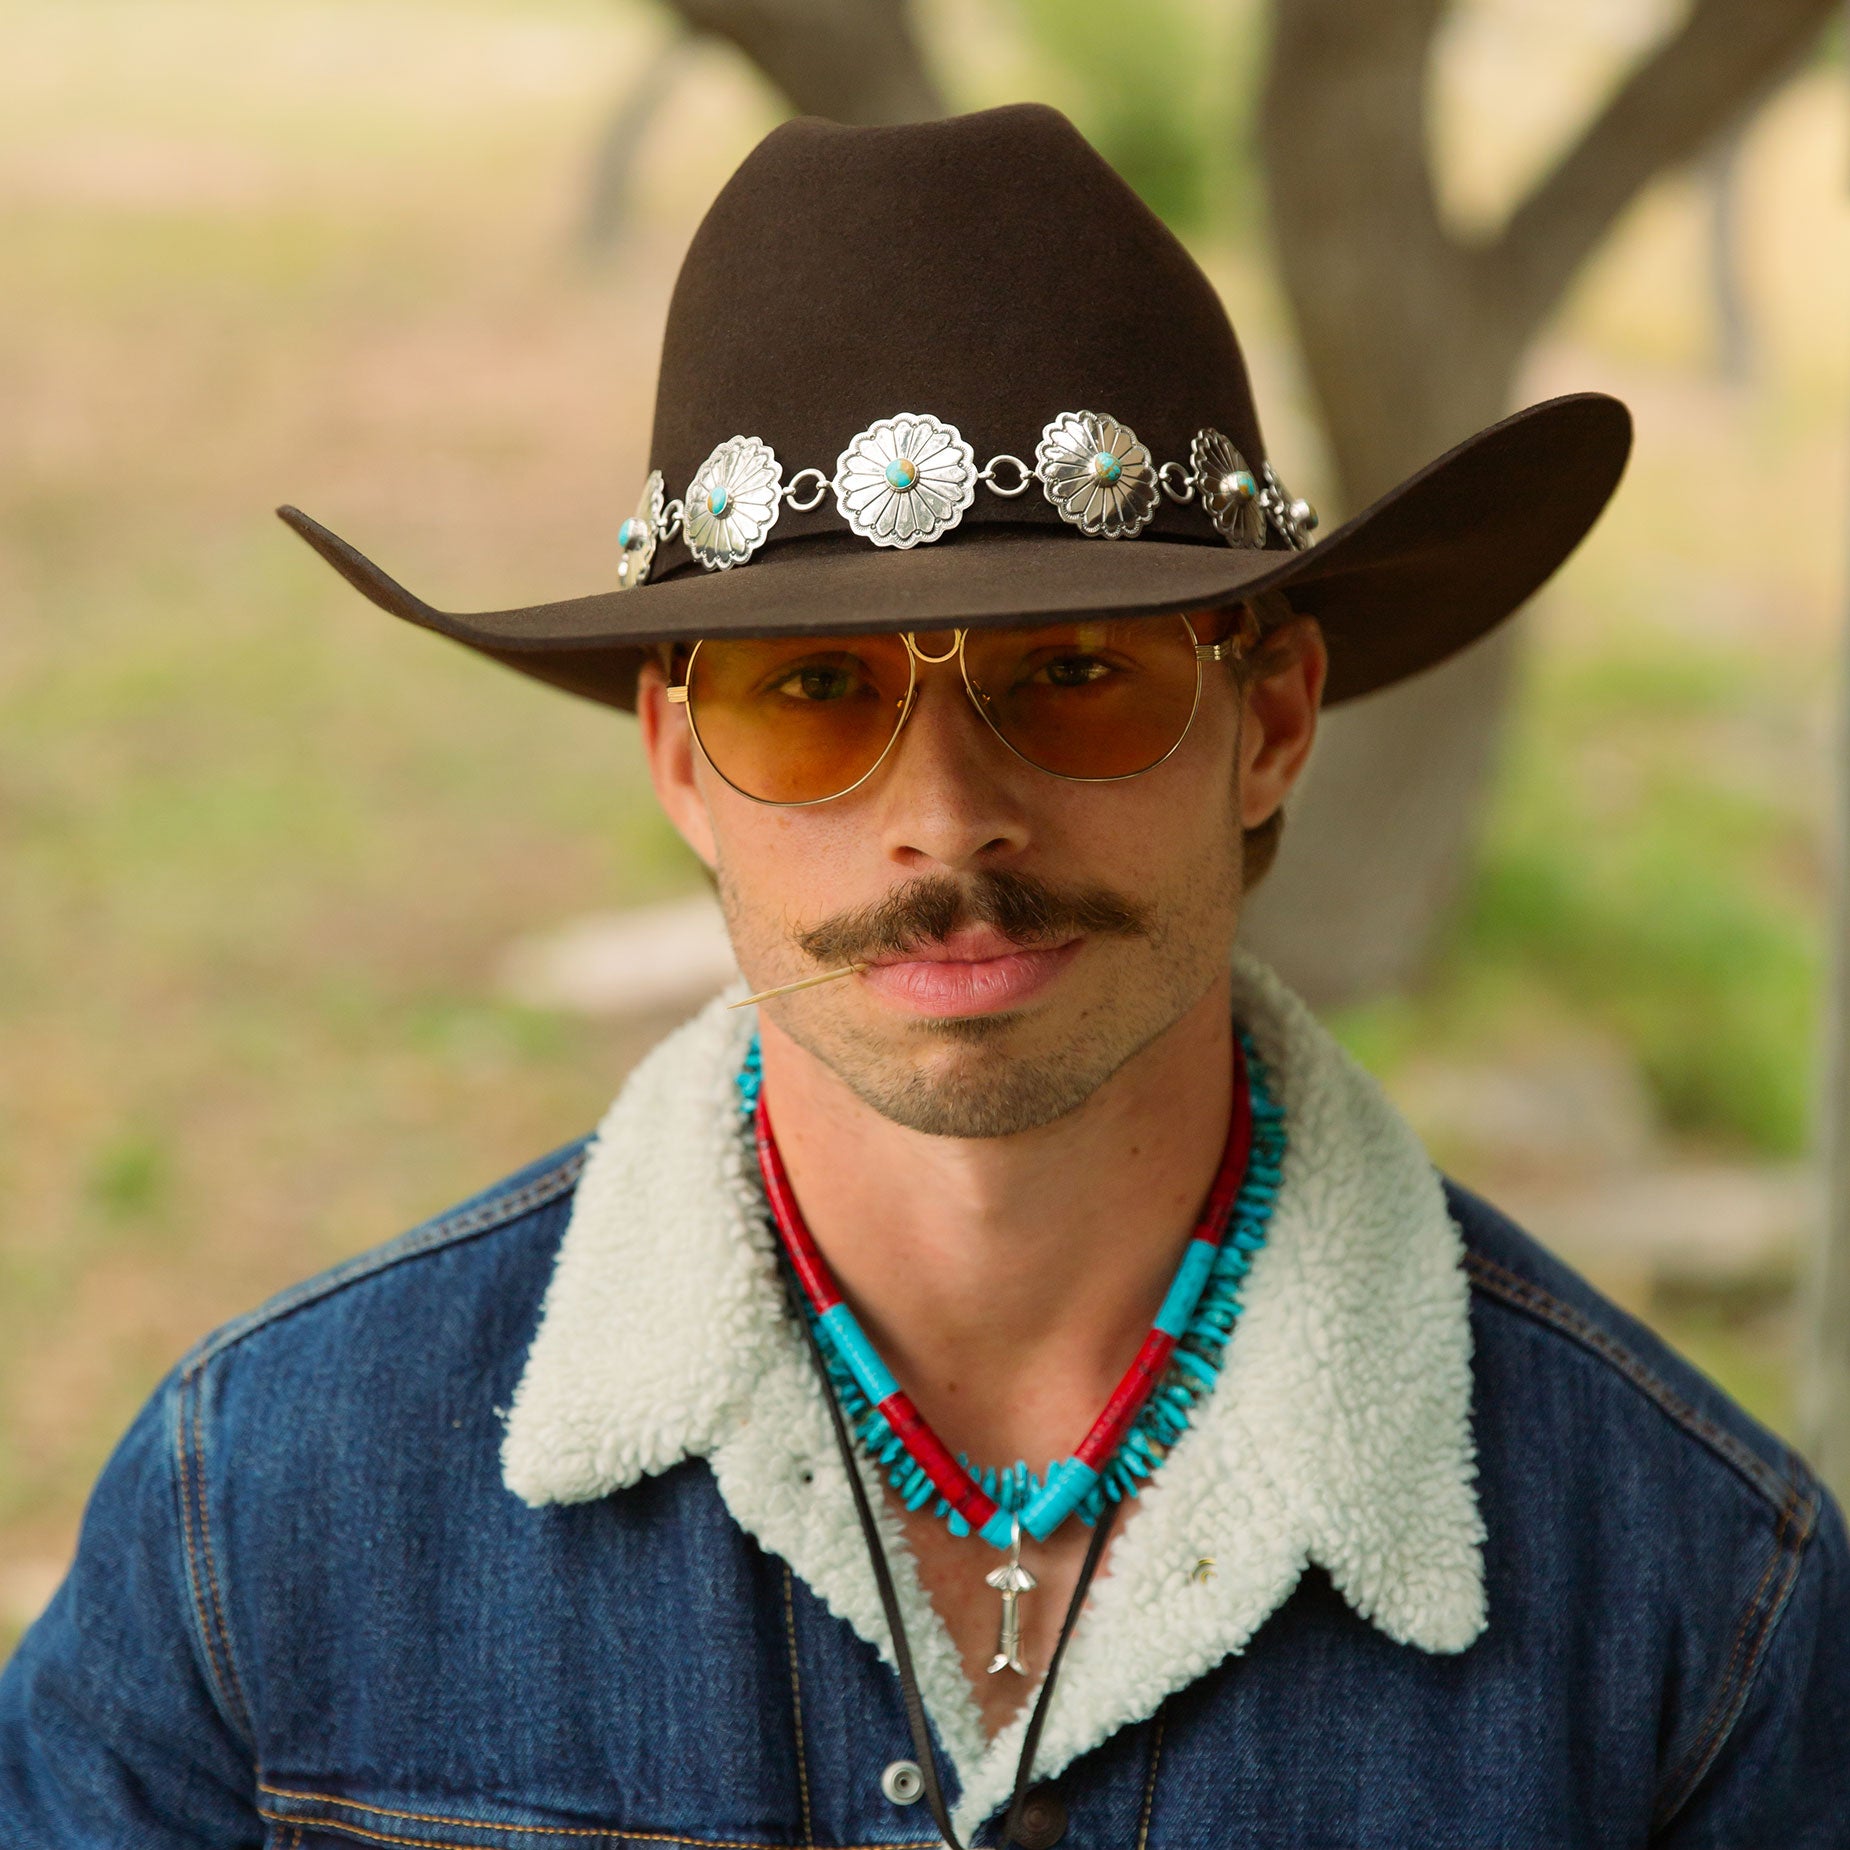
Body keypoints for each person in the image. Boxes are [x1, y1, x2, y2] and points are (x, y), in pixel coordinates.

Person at [4, 102, 1845, 1850]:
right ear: (675, 763)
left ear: (1270, 719)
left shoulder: (1691, 1589)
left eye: (1071, 672)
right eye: (810, 692)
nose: (948, 823)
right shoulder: (266, 1509)